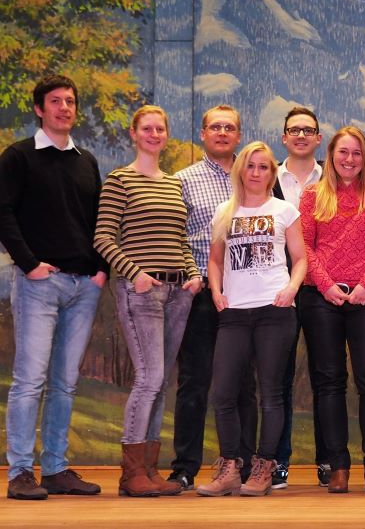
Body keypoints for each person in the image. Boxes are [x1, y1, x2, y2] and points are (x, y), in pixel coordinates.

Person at [1, 75, 106, 500]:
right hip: (39, 286)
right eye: (56, 101)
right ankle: (20, 472)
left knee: (65, 382)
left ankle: (57, 468)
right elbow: (2, 213)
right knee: (30, 380)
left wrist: (100, 270)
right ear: (40, 109)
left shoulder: (87, 160)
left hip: (85, 287)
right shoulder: (19, 157)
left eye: (70, 101)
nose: (65, 107)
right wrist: (28, 265)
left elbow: (100, 219)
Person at [94, 105, 203, 496]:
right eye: (147, 128)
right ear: (134, 133)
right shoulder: (119, 180)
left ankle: (150, 471)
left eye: (160, 128)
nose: (154, 134)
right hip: (140, 290)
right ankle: (131, 474)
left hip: (178, 294)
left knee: (161, 382)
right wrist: (135, 273)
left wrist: (192, 274)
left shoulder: (174, 184)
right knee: (149, 378)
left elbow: (181, 238)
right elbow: (103, 238)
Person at [196, 141, 307, 497]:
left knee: (272, 394)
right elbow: (215, 260)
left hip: (275, 312)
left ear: (271, 173)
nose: (256, 172)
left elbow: (301, 258)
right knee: (223, 392)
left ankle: (263, 465)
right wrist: (216, 291)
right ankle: (230, 466)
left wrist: (291, 288)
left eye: (263, 167)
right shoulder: (224, 212)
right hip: (234, 313)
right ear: (240, 170)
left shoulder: (285, 210)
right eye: (251, 166)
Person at [298, 126, 365, 494]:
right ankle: (338, 466)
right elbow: (304, 246)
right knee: (329, 383)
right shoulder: (312, 196)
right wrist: (326, 285)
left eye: (356, 153)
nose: (349, 159)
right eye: (343, 152)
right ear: (332, 155)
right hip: (320, 298)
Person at [169, 105, 257, 489]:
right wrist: (194, 275)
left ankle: (242, 464)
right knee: (194, 380)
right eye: (215, 127)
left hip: (246, 296)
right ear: (203, 133)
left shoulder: (255, 179)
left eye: (230, 128)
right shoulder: (183, 180)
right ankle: (186, 466)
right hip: (202, 291)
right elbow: (175, 236)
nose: (222, 132)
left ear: (239, 135)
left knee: (243, 383)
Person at [269, 106, 324, 489]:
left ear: (318, 138)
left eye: (308, 130)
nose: (301, 136)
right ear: (284, 137)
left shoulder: (334, 177)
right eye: (294, 130)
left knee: (326, 378)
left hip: (322, 290)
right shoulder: (264, 175)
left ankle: (328, 460)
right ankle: (277, 461)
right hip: (276, 291)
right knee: (278, 378)